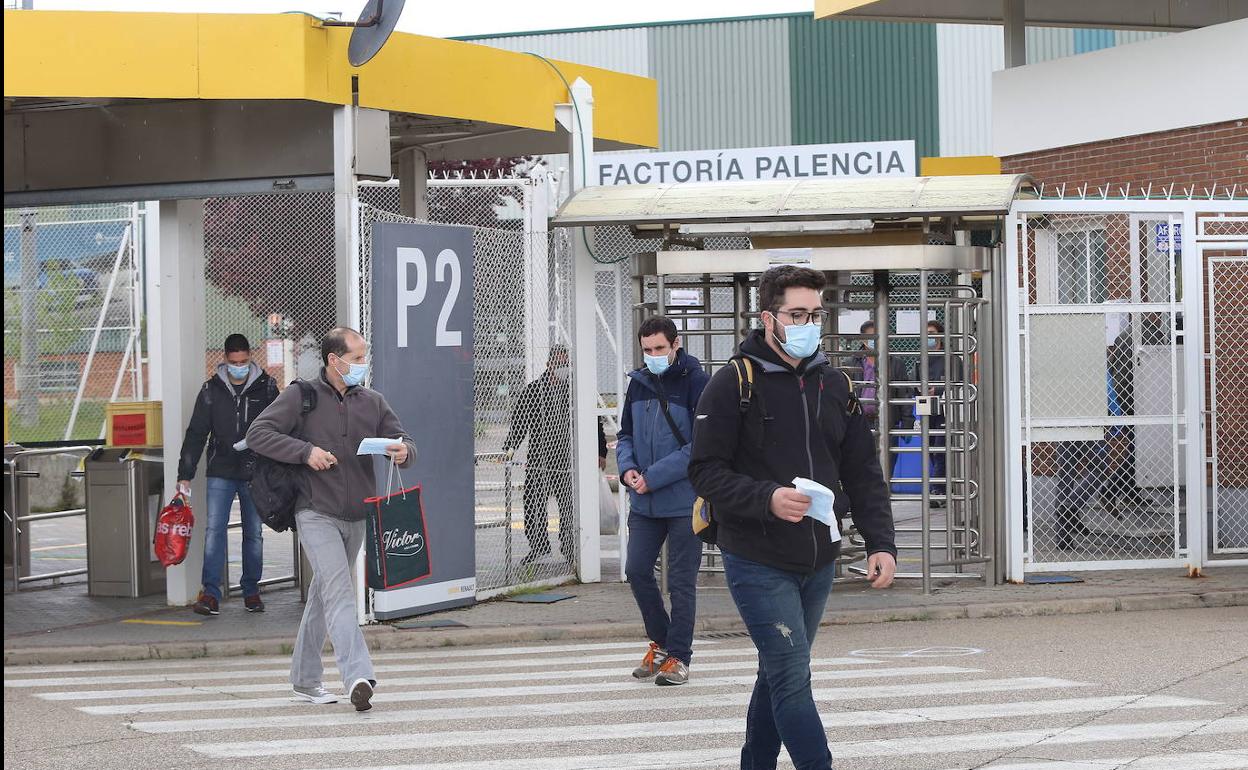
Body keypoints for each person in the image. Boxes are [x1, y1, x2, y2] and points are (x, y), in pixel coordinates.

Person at [689, 265, 897, 770]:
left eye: (815, 314)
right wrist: (767, 498)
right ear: (768, 318)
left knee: (780, 671)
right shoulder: (732, 382)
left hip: (818, 557)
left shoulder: (835, 383)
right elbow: (703, 471)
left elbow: (864, 471)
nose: (808, 323)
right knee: (789, 674)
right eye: (796, 314)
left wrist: (881, 543)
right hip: (756, 555)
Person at [246, 327, 416, 711]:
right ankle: (358, 674)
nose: (362, 364)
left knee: (323, 597)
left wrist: (403, 452)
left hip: (357, 515)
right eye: (356, 358)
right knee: (339, 592)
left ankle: (305, 681)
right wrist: (305, 452)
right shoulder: (300, 396)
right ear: (333, 361)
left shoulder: (372, 401)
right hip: (314, 511)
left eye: (363, 356)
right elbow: (258, 433)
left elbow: (404, 440)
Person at [615, 316, 710, 687]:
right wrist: (628, 470)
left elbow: (699, 445)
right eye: (647, 350)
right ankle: (663, 643)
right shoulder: (638, 384)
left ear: (675, 344)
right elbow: (625, 435)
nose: (653, 356)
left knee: (681, 582)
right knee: (636, 570)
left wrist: (652, 477)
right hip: (644, 502)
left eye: (659, 349)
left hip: (683, 499)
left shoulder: (697, 383)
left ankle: (679, 658)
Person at [176, 333, 278, 617]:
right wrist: (185, 473)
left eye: (244, 362)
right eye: (234, 362)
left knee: (254, 533)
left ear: (250, 358)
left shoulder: (266, 388)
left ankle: (251, 591)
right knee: (214, 531)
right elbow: (196, 433)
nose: (239, 367)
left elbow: (280, 425)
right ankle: (210, 593)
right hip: (220, 469)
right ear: (225, 360)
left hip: (254, 470)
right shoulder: (211, 391)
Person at [503, 346, 580, 566]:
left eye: (567, 365)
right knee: (533, 503)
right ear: (549, 365)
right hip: (540, 458)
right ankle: (539, 547)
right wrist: (509, 448)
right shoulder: (534, 390)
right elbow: (519, 423)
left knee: (568, 505)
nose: (564, 369)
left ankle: (569, 546)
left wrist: (601, 451)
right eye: (559, 364)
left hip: (566, 458)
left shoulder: (573, 391)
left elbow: (594, 421)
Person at [852, 320, 912, 477]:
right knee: (861, 463)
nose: (875, 341)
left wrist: (907, 423)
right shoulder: (851, 362)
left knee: (887, 462)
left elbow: (904, 393)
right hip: (861, 421)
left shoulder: (896, 363)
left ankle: (884, 496)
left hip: (887, 420)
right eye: (871, 336)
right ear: (863, 339)